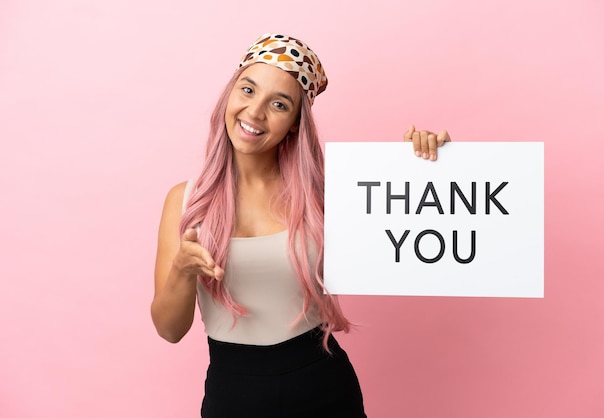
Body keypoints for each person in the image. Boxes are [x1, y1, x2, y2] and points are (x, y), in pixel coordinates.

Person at [151, 33, 450, 418]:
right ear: (230, 95)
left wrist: (430, 164)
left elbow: (411, 222)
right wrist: (182, 269)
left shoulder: (326, 196)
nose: (255, 112)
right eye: (247, 90)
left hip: (325, 390)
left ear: (294, 124)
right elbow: (169, 330)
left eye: (278, 104)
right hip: (233, 395)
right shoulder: (185, 200)